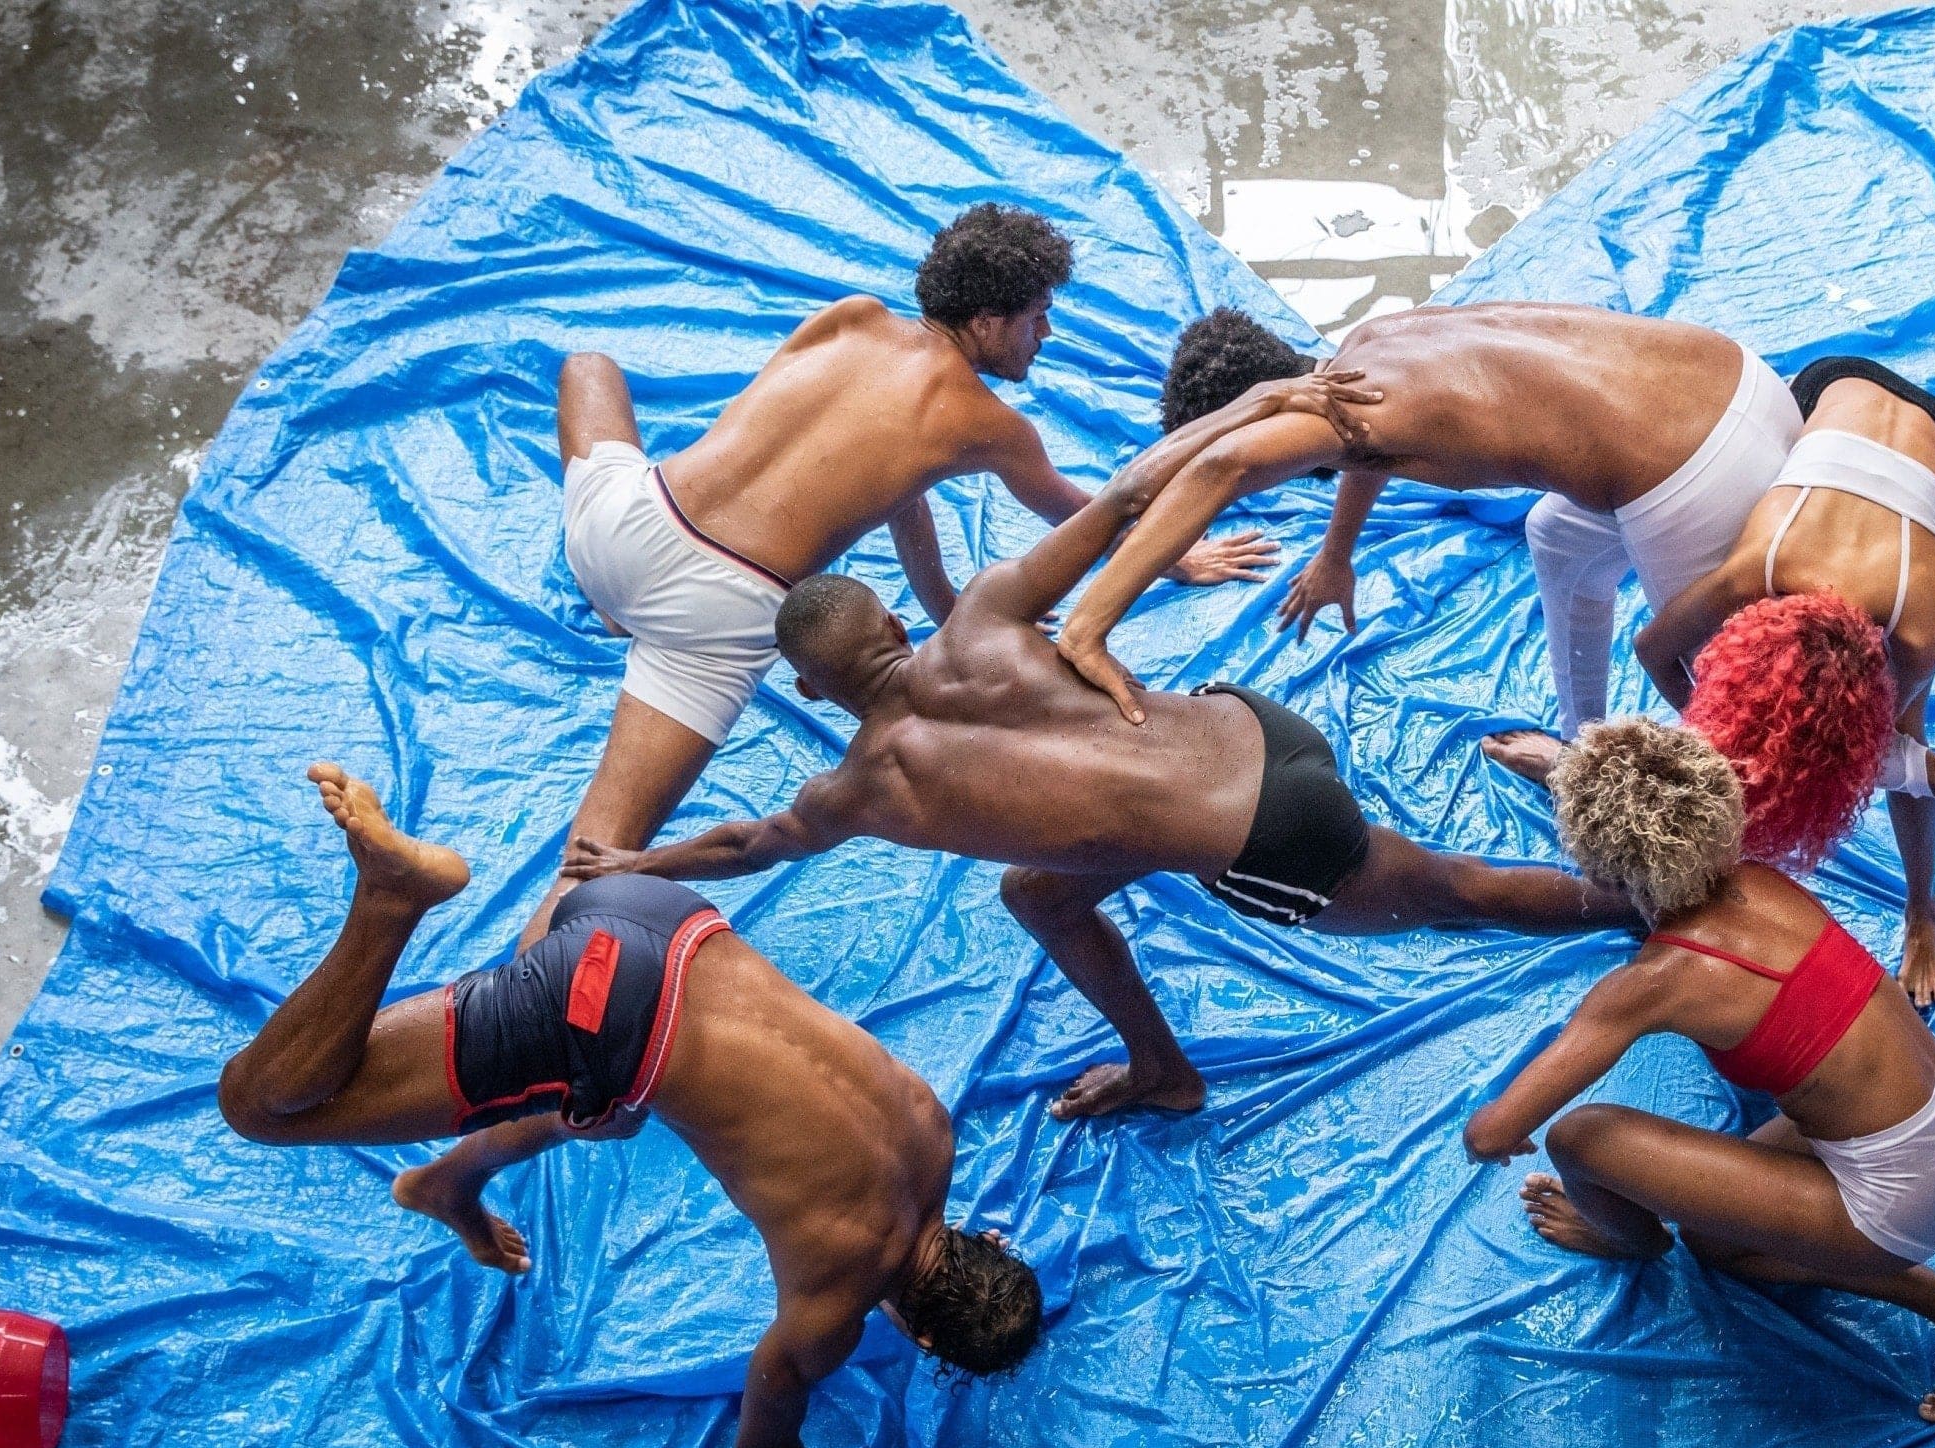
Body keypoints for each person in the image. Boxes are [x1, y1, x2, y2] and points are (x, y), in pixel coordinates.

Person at [558, 372, 1636, 1120]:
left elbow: (751, 842)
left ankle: (1653, 907)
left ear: (804, 686)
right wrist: (1260, 401)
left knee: (1465, 890)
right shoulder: (980, 613)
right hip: (1252, 724)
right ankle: (1161, 1065)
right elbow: (1126, 495)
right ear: (893, 623)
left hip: (1274, 834)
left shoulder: (858, 792)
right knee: (1040, 890)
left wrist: (631, 859)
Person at [215, 764, 1037, 1448]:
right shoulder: (837, 1302)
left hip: (664, 917)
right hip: (603, 998)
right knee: (264, 1106)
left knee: (612, 1098)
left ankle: (450, 1183)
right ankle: (392, 898)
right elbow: (762, 1443)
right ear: (923, 1335)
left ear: (987, 1239)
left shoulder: (933, 1134)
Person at [532, 204, 1275, 947]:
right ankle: (498, 1033)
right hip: (716, 612)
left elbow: (896, 490)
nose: (1046, 337)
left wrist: (948, 608)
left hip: (618, 529)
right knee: (597, 857)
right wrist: (1178, 557)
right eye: (1038, 317)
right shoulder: (990, 425)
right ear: (986, 323)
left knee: (588, 369)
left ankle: (616, 605)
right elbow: (1093, 516)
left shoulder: (849, 318)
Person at [1460, 719, 1935, 1423]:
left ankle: (1629, 1239)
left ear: (1603, 869)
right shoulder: (1757, 876)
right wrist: (1561, 767)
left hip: (1897, 1195)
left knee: (1578, 1137)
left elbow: (1490, 1135)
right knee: (1721, 1246)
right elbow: (1658, 805)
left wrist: (1495, 1127)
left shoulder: (1655, 982)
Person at [1041, 304, 1804, 767]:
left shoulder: (1335, 418)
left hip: (1695, 472)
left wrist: (1088, 626)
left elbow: (1223, 464)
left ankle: (1723, 873)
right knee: (1556, 537)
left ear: (1273, 407)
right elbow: (1360, 444)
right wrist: (1336, 553)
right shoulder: (1369, 349)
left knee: (1742, 717)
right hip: (1744, 382)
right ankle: (1585, 752)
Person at [1628, 357, 1935, 1004]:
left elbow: (1652, 649)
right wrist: (1727, 741)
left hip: (1842, 385)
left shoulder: (1754, 570)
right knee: (1906, 748)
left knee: (1896, 755)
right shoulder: (1909, 628)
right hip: (1920, 429)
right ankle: (1928, 888)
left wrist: (1712, 733)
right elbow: (1652, 651)